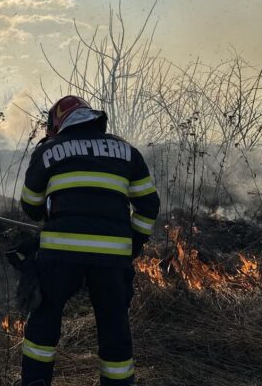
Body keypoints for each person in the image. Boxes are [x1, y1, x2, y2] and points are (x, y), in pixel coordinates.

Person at [18, 95, 160, 386]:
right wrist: (133, 243)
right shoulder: (127, 152)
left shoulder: (49, 151)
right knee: (114, 326)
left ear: (58, 124)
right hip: (112, 259)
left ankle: (34, 382)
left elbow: (30, 206)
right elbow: (149, 205)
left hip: (60, 254)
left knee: (44, 320)